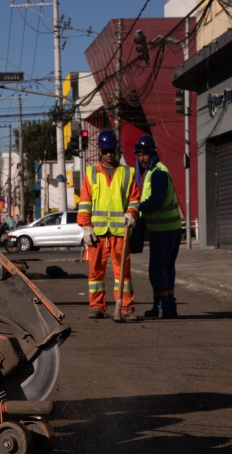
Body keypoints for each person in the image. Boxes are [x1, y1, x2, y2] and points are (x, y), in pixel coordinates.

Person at [77, 130, 141, 322]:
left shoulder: (127, 173)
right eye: (105, 151)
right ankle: (96, 306)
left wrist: (131, 213)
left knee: (123, 273)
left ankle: (126, 307)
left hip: (120, 233)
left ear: (117, 150)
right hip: (97, 233)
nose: (109, 154)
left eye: (111, 150)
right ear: (100, 152)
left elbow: (134, 200)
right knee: (95, 272)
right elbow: (85, 203)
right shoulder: (91, 174)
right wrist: (86, 227)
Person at [134, 135, 183, 318]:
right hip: (170, 228)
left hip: (163, 230)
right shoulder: (156, 171)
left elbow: (156, 200)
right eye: (139, 155)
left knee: (158, 270)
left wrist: (138, 209)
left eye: (145, 154)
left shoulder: (158, 173)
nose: (142, 158)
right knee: (167, 268)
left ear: (152, 153)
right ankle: (169, 305)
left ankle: (161, 306)